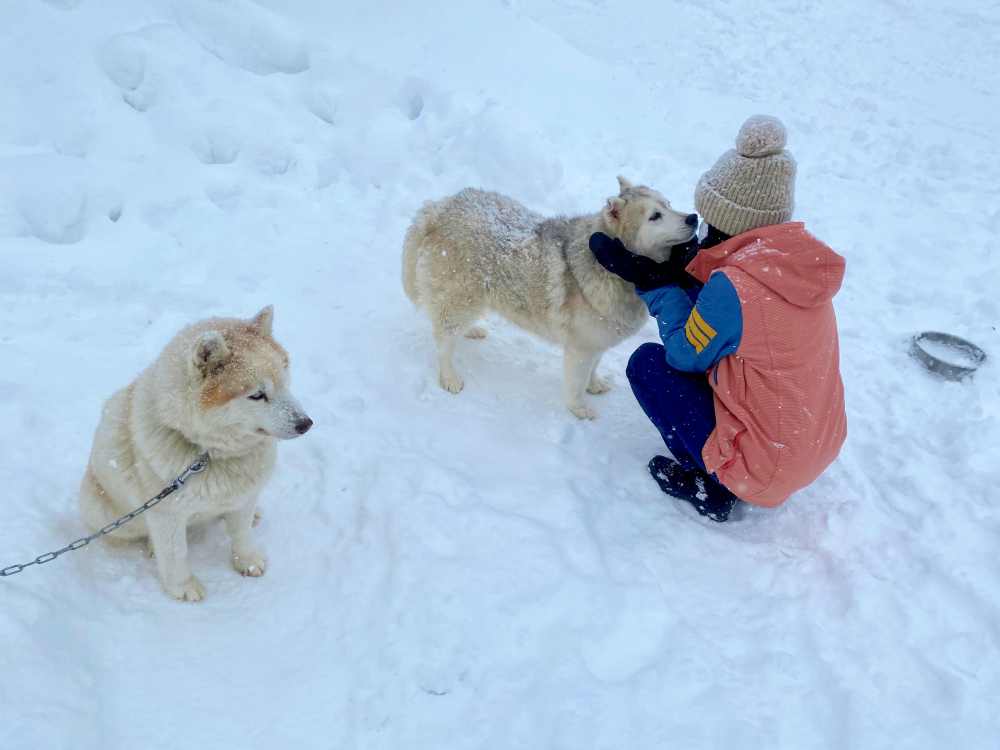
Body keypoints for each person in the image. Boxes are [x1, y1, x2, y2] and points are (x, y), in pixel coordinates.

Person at [589, 115, 847, 521]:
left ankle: (713, 485)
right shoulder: (798, 267)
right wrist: (689, 274)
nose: (702, 230)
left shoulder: (735, 290)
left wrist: (655, 283)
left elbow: (682, 353)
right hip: (814, 446)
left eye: (711, 222)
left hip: (764, 473)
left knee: (648, 365)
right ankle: (746, 462)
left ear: (731, 224)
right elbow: (742, 316)